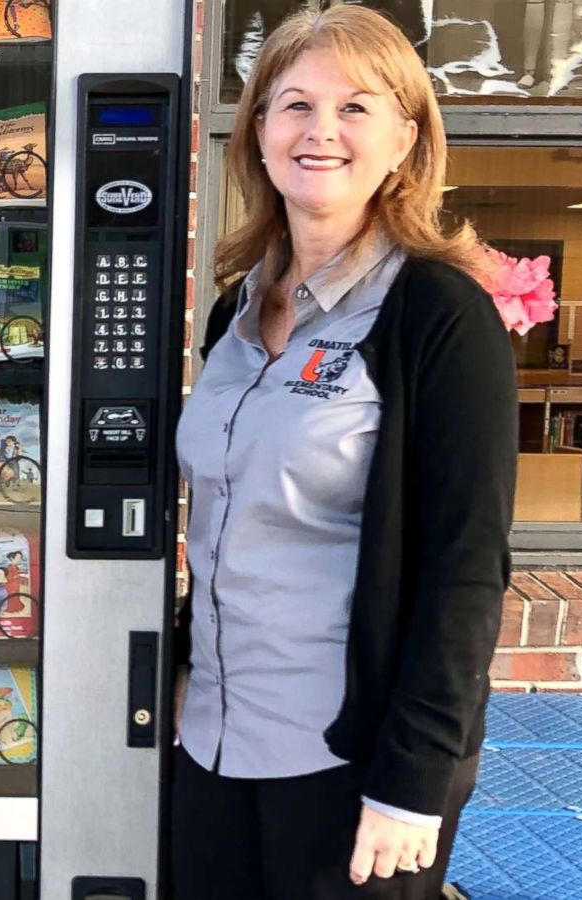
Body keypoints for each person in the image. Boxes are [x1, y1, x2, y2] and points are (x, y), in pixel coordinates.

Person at [170, 6, 516, 898]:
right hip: (209, 739)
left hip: (349, 761)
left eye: (356, 108)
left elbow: (465, 568)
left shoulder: (438, 316)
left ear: (406, 139)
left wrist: (414, 783)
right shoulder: (236, 311)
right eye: (293, 104)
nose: (320, 131)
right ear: (257, 132)